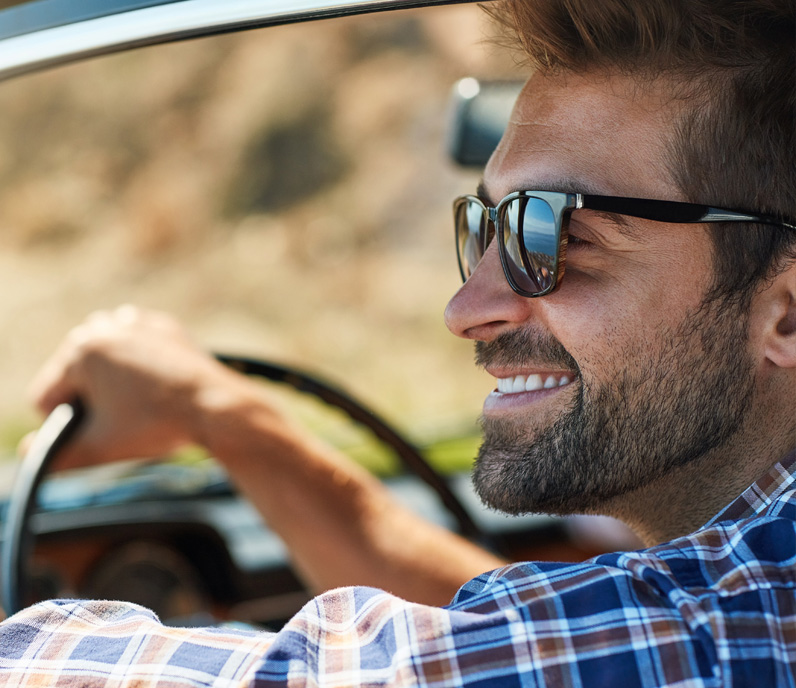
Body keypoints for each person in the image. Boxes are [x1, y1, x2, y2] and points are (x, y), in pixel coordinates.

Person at [1, 0, 795, 685]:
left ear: (785, 312)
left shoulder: (743, 623)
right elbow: (530, 643)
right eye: (486, 228)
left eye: (553, 237)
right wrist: (222, 418)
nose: (465, 308)